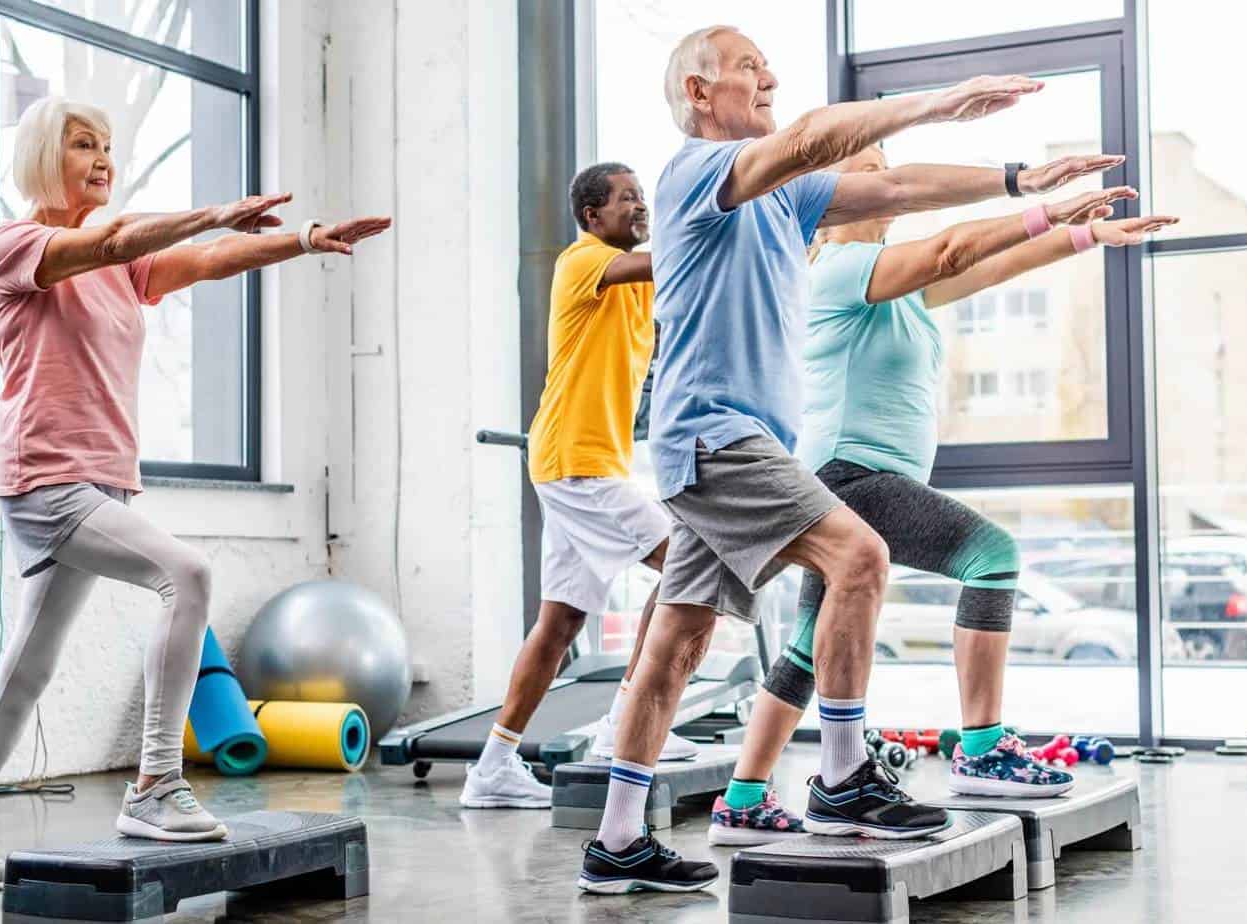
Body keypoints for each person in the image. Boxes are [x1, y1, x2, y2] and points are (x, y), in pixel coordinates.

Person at [577, 23, 1125, 895]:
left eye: (768, 64)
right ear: (696, 91)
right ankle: (840, 776)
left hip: (728, 442)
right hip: (716, 437)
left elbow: (897, 185)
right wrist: (943, 101)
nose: (769, 76)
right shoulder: (694, 173)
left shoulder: (785, 202)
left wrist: (1022, 182)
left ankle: (616, 842)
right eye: (750, 67)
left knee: (678, 641)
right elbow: (808, 139)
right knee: (859, 557)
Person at [0, 96, 390, 891]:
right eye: (81, 145)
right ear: (41, 155)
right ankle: (155, 785)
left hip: (101, 483)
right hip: (49, 480)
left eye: (106, 145)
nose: (102, 157)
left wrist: (301, 240)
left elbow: (201, 262)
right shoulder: (16, 245)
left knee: (25, 671)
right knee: (188, 574)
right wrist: (211, 211)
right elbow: (119, 237)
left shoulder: (118, 266)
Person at [709, 145, 1177, 844]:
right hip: (851, 476)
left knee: (810, 648)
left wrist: (1086, 236)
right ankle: (982, 749)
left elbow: (993, 264)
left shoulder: (893, 285)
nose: (883, 180)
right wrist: (1046, 206)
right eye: (866, 170)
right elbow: (954, 249)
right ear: (830, 200)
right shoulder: (836, 268)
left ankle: (742, 801)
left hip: (855, 476)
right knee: (991, 556)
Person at [461, 162, 700, 811]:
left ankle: (493, 767)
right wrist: (699, 217)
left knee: (561, 622)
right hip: (577, 460)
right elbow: (664, 259)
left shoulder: (638, 287)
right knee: (689, 568)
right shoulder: (582, 260)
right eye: (628, 200)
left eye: (644, 198)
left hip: (586, 462)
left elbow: (683, 287)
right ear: (593, 216)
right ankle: (625, 723)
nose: (640, 208)